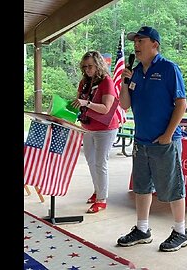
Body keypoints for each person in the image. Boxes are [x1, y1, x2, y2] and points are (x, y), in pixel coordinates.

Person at [116, 26, 187, 252]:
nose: (136, 45)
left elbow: (181, 104)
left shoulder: (168, 69)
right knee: (141, 187)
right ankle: (142, 229)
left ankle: (180, 231)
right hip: (141, 141)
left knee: (173, 187)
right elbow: (125, 105)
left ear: (155, 44)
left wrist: (167, 135)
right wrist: (125, 83)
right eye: (135, 42)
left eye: (141, 41)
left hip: (164, 141)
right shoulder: (135, 71)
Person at [70, 50, 120, 214]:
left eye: (90, 66)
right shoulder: (84, 82)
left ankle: (102, 199)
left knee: (100, 163)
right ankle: (97, 191)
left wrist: (88, 103)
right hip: (88, 127)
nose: (87, 70)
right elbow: (79, 103)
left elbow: (106, 108)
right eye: (84, 67)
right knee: (91, 162)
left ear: (98, 64)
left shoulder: (106, 81)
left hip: (105, 128)